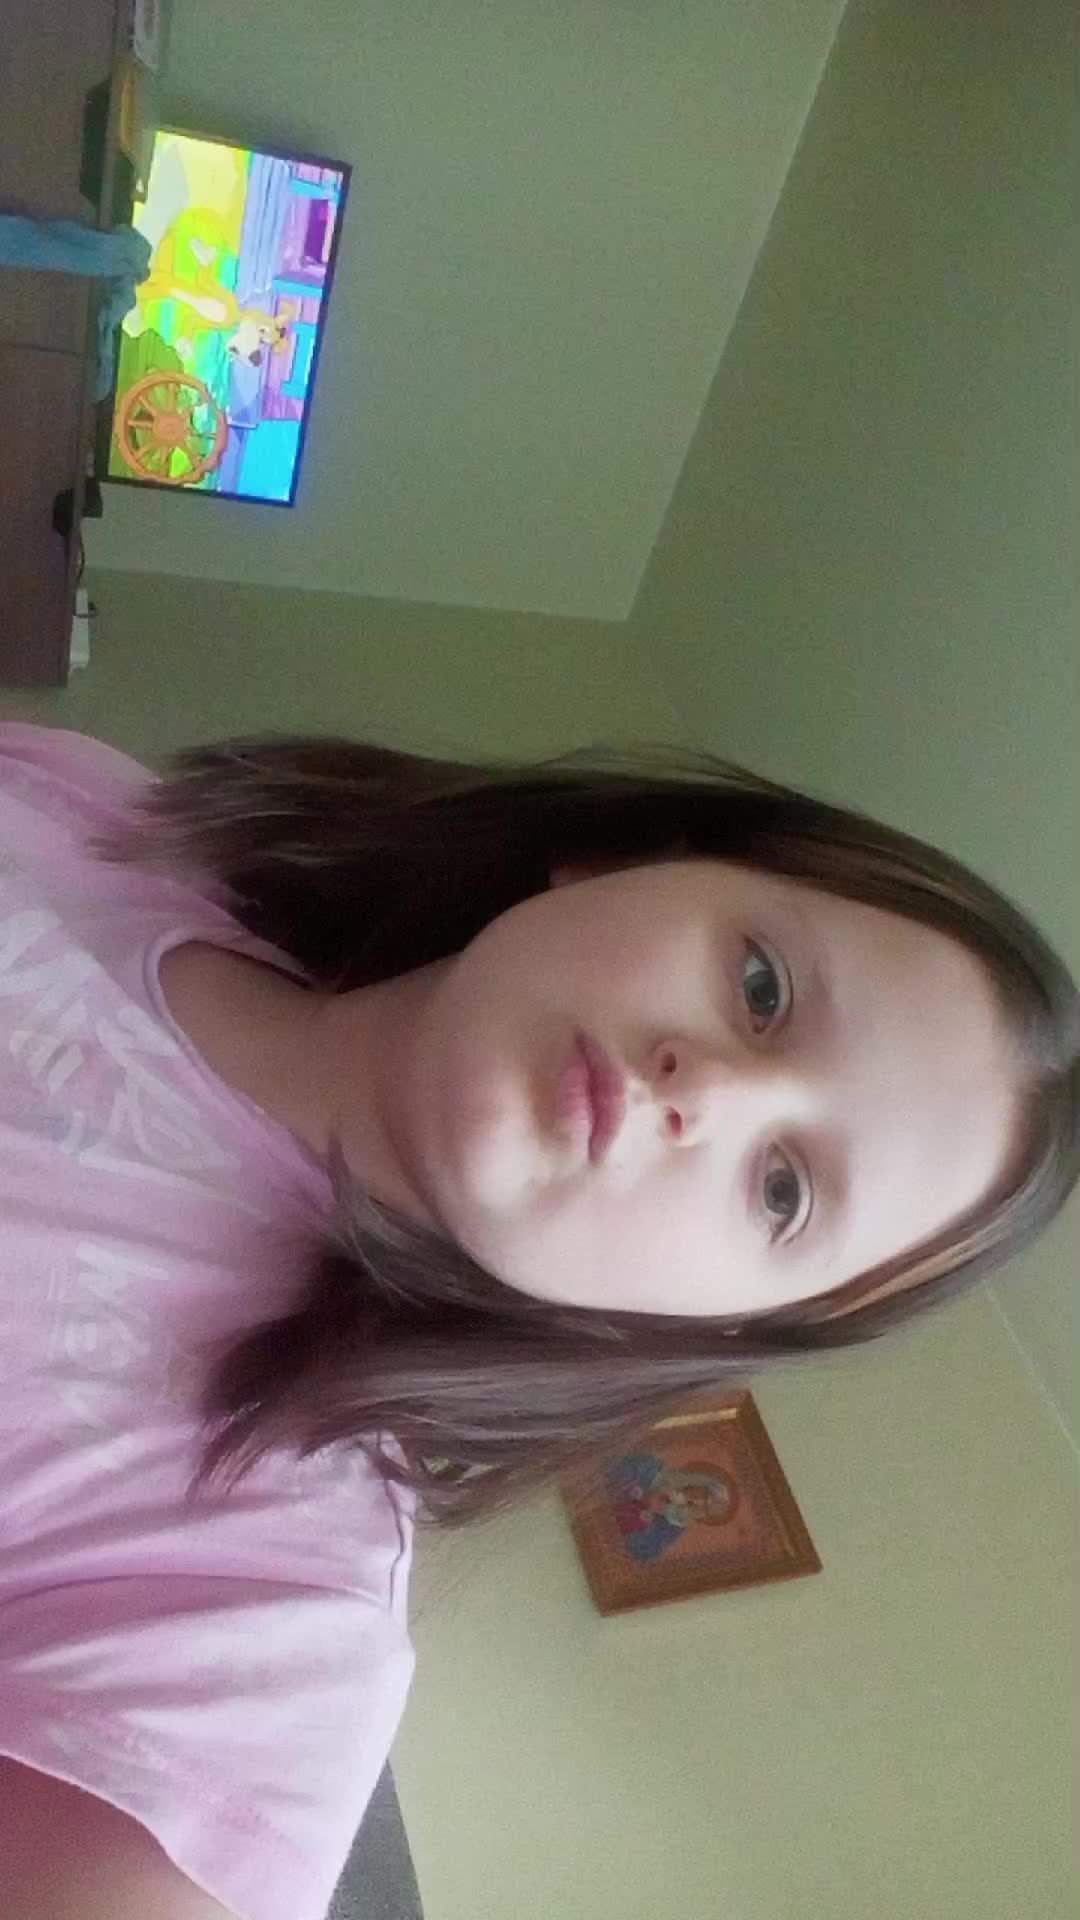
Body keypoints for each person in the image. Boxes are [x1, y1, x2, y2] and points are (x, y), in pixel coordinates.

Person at [0, 721, 1076, 1920]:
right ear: (625, 860)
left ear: (714, 1322)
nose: (712, 1090)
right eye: (763, 988)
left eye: (784, 1192)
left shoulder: (261, 1587)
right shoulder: (104, 811)